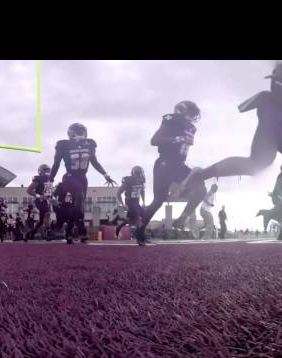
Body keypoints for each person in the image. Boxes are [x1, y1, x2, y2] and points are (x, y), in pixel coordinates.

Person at [179, 63, 282, 194]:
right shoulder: (266, 99)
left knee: (257, 163)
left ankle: (201, 175)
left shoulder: (264, 97)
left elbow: (244, 107)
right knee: (258, 163)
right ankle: (201, 175)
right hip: (270, 128)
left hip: (270, 128)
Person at [136, 101, 208, 246]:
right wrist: (179, 138)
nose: (193, 117)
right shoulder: (171, 120)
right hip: (165, 163)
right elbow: (154, 140)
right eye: (191, 114)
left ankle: (182, 218)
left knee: (201, 188)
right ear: (182, 111)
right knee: (159, 200)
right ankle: (140, 231)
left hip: (178, 165)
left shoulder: (191, 127)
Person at [50, 123, 116, 243]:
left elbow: (94, 161)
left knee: (77, 207)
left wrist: (104, 173)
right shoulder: (63, 145)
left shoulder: (90, 144)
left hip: (82, 178)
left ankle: (69, 231)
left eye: (82, 132)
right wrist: (50, 179)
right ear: (71, 134)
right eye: (78, 132)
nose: (81, 135)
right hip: (70, 177)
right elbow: (56, 164)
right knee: (79, 198)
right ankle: (81, 231)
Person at [115, 166, 146, 239]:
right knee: (136, 218)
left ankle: (119, 226)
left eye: (140, 174)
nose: (139, 176)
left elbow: (142, 191)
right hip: (130, 201)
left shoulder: (142, 180)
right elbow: (118, 193)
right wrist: (123, 204)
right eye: (138, 174)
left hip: (136, 202)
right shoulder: (128, 181)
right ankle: (140, 236)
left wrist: (144, 202)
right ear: (134, 174)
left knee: (144, 216)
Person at [26, 164, 55, 241]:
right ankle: (49, 232)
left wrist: (53, 198)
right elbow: (29, 190)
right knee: (47, 214)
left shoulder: (50, 179)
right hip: (40, 200)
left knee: (41, 221)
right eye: (45, 170)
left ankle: (30, 233)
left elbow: (49, 192)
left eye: (48, 170)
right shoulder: (38, 179)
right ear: (41, 171)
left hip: (47, 200)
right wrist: (40, 196)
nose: (47, 172)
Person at [256, 164, 282, 234]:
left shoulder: (279, 177)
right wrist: (279, 196)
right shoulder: (280, 178)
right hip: (279, 201)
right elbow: (278, 188)